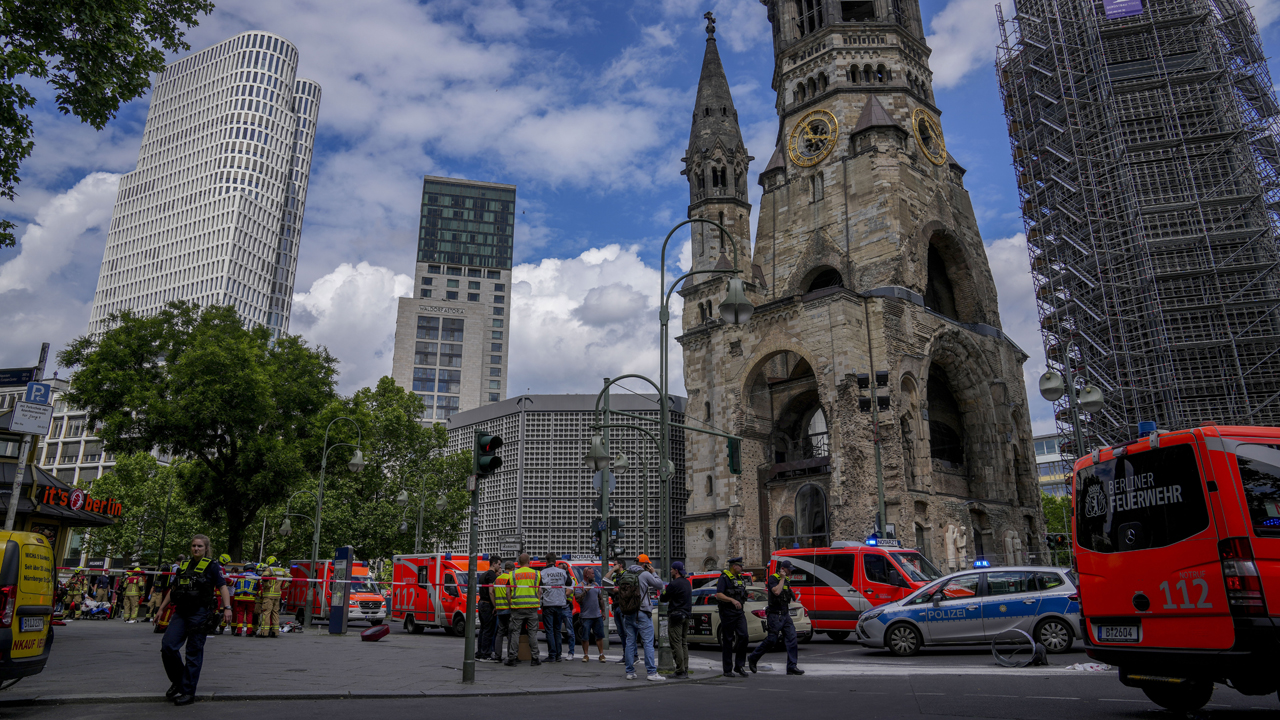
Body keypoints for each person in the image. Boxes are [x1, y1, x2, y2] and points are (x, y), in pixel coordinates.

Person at [154, 535, 232, 706]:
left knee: (193, 652)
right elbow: (173, 589)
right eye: (194, 546)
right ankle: (179, 681)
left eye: (199, 546)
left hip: (200, 613)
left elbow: (222, 587)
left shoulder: (213, 566)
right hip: (181, 612)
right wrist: (161, 609)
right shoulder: (184, 566)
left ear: (206, 548)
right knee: (168, 646)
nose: (196, 549)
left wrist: (227, 608)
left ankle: (188, 692)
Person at [747, 560, 804, 676]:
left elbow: (788, 595)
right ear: (783, 569)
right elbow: (776, 592)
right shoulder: (773, 578)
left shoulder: (787, 580)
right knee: (772, 640)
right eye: (789, 570)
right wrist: (782, 579)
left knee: (792, 638)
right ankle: (753, 657)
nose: (790, 573)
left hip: (785, 614)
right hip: (775, 615)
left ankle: (792, 666)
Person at [616, 555, 666, 681]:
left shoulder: (625, 574)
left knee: (630, 643)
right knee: (648, 643)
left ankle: (630, 672)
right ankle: (651, 672)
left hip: (628, 612)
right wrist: (654, 573)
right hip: (642, 612)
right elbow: (660, 585)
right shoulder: (645, 574)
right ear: (645, 564)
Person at [714, 557, 751, 678]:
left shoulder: (740, 578)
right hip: (727, 612)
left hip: (739, 612)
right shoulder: (724, 578)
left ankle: (739, 665)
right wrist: (732, 600)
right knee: (728, 640)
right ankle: (727, 669)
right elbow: (719, 594)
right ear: (734, 566)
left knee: (744, 636)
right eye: (740, 566)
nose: (742, 568)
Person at [504, 553, 541, 667]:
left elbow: (508, 592)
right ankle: (535, 658)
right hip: (532, 607)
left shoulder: (513, 574)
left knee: (515, 632)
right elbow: (539, 591)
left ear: (519, 563)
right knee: (532, 633)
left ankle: (512, 658)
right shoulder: (536, 574)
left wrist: (511, 603)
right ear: (529, 561)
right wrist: (537, 601)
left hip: (517, 607)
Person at [661, 561, 693, 678]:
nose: (670, 571)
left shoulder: (674, 584)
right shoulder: (687, 583)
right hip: (686, 616)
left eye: (672, 569)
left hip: (676, 617)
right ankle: (685, 668)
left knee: (676, 643)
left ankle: (680, 670)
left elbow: (663, 597)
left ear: (676, 571)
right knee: (684, 642)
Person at [539, 553, 569, 662]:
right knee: (557, 630)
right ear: (555, 561)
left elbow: (540, 587)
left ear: (546, 561)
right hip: (560, 604)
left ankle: (552, 654)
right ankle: (559, 655)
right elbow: (569, 583)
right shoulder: (562, 572)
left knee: (549, 631)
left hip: (548, 604)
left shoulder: (543, 573)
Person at [575, 566, 608, 663]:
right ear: (586, 575)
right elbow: (578, 599)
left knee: (599, 636)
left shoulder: (596, 584)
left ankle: (601, 654)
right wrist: (585, 591)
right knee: (585, 637)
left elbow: (600, 598)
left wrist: (603, 611)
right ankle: (586, 655)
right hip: (586, 616)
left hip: (597, 616)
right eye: (592, 573)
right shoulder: (579, 586)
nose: (594, 575)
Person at [475, 555, 500, 661]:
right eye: (498, 564)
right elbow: (491, 591)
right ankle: (486, 654)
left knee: (483, 629)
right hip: (487, 604)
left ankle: (480, 652)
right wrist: (495, 606)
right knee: (488, 630)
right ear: (493, 564)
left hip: (481, 603)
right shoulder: (491, 575)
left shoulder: (483, 575)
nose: (499, 566)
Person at [256, 557, 287, 638]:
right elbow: (290, 578)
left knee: (266, 613)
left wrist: (266, 585)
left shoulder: (269, 569)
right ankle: (275, 632)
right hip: (277, 596)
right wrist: (283, 586)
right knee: (275, 613)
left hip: (268, 595)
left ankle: (264, 632)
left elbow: (264, 577)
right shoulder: (282, 570)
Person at [492, 561, 514, 661]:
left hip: (499, 609)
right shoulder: (511, 578)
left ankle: (497, 656)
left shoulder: (497, 579)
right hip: (509, 609)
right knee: (510, 632)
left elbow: (491, 591)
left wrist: (495, 605)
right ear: (513, 569)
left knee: (500, 632)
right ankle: (510, 655)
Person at [230, 562, 259, 636]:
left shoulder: (240, 576)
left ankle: (239, 631)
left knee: (240, 614)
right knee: (249, 614)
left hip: (240, 598)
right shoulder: (256, 576)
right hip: (251, 599)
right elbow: (259, 587)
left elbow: (235, 585)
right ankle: (249, 632)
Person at [556, 558, 576, 660]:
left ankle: (571, 652)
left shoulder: (571, 580)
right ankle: (558, 653)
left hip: (566, 608)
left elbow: (568, 592)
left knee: (569, 631)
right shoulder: (557, 580)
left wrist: (556, 594)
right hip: (558, 607)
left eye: (560, 570)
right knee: (557, 631)